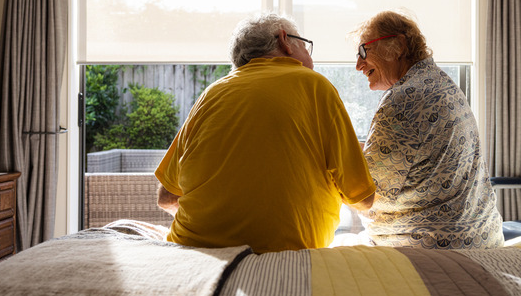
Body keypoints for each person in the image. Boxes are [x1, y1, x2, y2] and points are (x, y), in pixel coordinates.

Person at [155, 13, 376, 253]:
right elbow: (362, 199)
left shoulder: (211, 94)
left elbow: (166, 198)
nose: (311, 60)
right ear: (284, 40)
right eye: (305, 46)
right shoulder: (314, 85)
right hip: (286, 252)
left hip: (193, 250)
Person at [352, 10, 503, 249]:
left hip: (436, 248)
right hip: (483, 240)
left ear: (398, 45)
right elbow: (402, 157)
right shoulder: (440, 83)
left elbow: (365, 195)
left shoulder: (403, 100)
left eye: (363, 51)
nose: (358, 64)